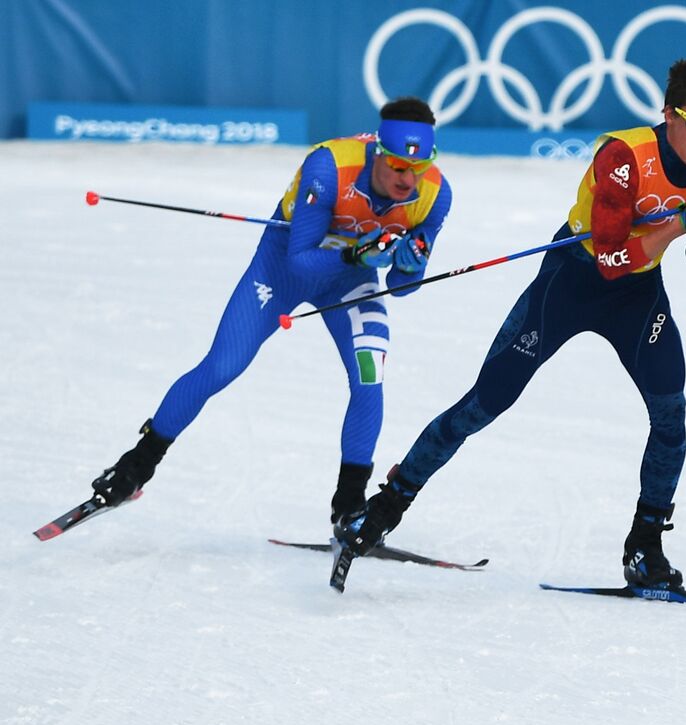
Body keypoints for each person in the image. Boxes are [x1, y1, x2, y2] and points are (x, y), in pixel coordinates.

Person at [334, 59, 686, 589]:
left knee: (671, 416)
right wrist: (677, 225)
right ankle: (385, 507)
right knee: (485, 403)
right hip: (573, 282)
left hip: (638, 296)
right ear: (668, 113)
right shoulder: (622, 156)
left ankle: (645, 547)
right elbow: (608, 260)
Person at [86, 97, 452, 528]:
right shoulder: (329, 166)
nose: (408, 179)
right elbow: (300, 259)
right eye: (397, 166)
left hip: (351, 282)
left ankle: (350, 506)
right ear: (379, 153)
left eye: (419, 167)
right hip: (282, 269)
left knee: (369, 379)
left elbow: (403, 288)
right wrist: (357, 255)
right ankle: (135, 466)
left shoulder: (435, 194)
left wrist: (409, 265)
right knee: (222, 366)